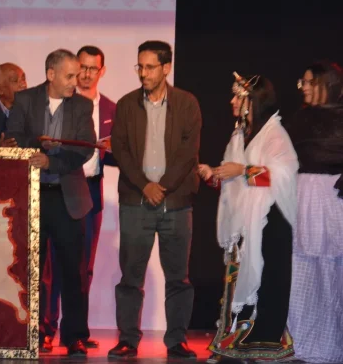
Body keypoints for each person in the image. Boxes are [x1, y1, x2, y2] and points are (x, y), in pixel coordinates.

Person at [109, 40, 201, 359]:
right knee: (130, 276)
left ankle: (176, 340)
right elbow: (120, 149)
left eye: (150, 67)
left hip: (176, 202)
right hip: (136, 201)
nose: (143, 73)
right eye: (140, 66)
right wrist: (144, 185)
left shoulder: (187, 103)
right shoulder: (126, 104)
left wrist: (162, 186)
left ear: (166, 68)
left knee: (178, 277)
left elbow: (189, 151)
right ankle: (127, 339)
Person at [200, 73, 298, 362]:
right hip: (246, 222)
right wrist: (214, 174)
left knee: (267, 280)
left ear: (252, 101)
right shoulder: (240, 134)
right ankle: (236, 340)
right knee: (238, 278)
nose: (232, 101)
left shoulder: (274, 133)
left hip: (270, 222)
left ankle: (264, 341)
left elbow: (283, 176)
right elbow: (233, 179)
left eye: (238, 97)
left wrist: (242, 171)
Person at [5, 48, 95, 357]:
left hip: (68, 198)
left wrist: (51, 162)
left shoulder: (82, 105)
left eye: (77, 75)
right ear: (51, 74)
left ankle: (75, 336)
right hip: (32, 197)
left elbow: (84, 149)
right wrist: (38, 147)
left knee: (73, 272)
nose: (75, 81)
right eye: (70, 76)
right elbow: (13, 138)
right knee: (31, 270)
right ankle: (35, 332)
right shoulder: (25, 99)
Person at [41, 45, 116, 351]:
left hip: (89, 190)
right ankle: (46, 328)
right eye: (81, 68)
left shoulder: (111, 109)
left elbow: (119, 155)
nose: (85, 75)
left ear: (102, 71)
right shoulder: (59, 102)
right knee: (49, 265)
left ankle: (77, 332)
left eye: (91, 69)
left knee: (82, 265)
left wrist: (113, 149)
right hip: (57, 186)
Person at [285, 62, 343, 363]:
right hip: (304, 196)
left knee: (334, 271)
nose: (304, 87)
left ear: (327, 84)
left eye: (309, 82)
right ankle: (303, 344)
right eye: (302, 82)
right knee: (303, 271)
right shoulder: (299, 119)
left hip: (334, 199)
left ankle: (333, 346)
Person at [0, 62, 27, 146]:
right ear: (0, 89)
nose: (23, 84)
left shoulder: (36, 113)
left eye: (23, 79)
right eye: (15, 80)